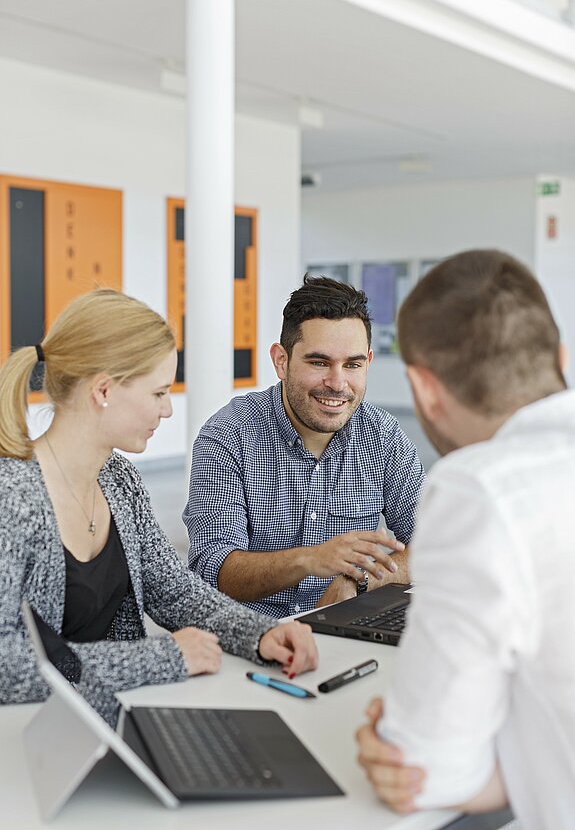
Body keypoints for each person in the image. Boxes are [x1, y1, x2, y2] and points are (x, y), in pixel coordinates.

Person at [0, 288, 317, 712]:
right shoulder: (12, 498)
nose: (167, 410)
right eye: (157, 393)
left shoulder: (119, 480)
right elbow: (6, 665)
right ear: (104, 390)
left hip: (98, 723)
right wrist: (161, 657)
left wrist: (257, 633)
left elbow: (173, 592)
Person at [356, 249, 575, 829]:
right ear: (560, 357)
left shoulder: (480, 489)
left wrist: (400, 737)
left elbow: (430, 771)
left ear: (424, 389)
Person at [184, 275, 425, 619]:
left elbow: (438, 543)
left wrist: (357, 581)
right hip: (252, 635)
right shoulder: (228, 436)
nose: (338, 383)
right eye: (319, 362)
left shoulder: (383, 436)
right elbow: (214, 569)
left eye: (352, 365)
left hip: (347, 625)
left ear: (368, 362)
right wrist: (309, 559)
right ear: (281, 361)